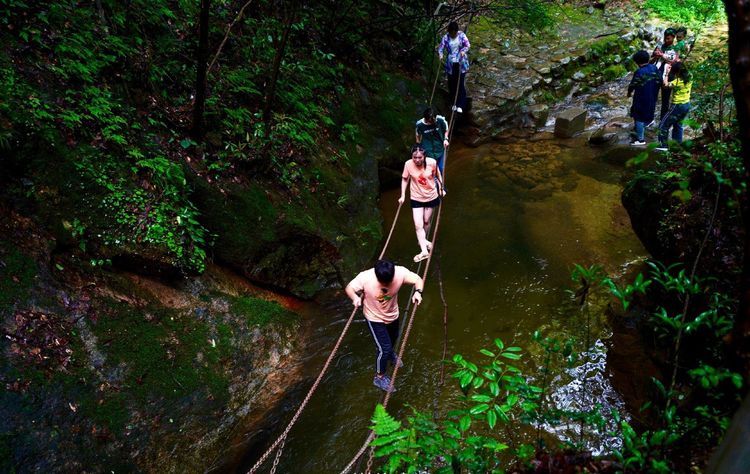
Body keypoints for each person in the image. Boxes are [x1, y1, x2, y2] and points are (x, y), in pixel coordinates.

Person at [345, 259, 424, 392]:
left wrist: (418, 292)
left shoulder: (400, 272)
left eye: (389, 281)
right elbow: (349, 288)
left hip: (393, 314)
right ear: (377, 275)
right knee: (384, 349)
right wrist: (355, 298)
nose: (387, 284)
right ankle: (379, 377)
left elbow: (417, 279)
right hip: (374, 318)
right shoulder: (365, 277)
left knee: (393, 339)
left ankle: (391, 354)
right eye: (384, 282)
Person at [399, 144, 445, 263]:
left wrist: (441, 188)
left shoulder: (432, 162)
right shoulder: (408, 164)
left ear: (424, 156)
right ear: (412, 156)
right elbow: (404, 179)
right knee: (418, 225)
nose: (417, 160)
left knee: (426, 221)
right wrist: (403, 195)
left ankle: (424, 239)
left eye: (420, 157)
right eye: (415, 157)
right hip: (416, 197)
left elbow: (438, 176)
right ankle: (424, 250)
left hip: (431, 196)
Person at [627, 50, 660, 146]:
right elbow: (660, 80)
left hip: (641, 98)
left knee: (638, 116)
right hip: (652, 95)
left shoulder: (639, 72)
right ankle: (648, 122)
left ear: (637, 62)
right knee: (650, 110)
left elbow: (633, 84)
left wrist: (629, 92)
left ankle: (640, 140)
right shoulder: (654, 68)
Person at [657, 62, 692, 151]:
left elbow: (665, 85)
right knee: (678, 125)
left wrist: (666, 73)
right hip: (687, 104)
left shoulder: (677, 81)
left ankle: (663, 145)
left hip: (677, 106)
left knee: (663, 125)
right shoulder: (690, 76)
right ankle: (677, 146)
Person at [438, 21, 470, 113]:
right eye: (451, 32)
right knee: (452, 84)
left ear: (457, 31)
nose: (453, 34)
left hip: (461, 62)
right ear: (449, 31)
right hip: (451, 64)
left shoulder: (461, 35)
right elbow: (440, 48)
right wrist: (440, 55)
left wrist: (463, 51)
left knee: (460, 84)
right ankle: (454, 104)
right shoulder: (446, 37)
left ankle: (461, 105)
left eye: (454, 32)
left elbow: (467, 45)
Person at [651, 28, 680, 119]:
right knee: (652, 96)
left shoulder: (676, 48)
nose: (666, 40)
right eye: (665, 38)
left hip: (668, 76)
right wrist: (655, 55)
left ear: (673, 38)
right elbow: (651, 59)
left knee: (665, 99)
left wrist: (662, 55)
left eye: (668, 38)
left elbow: (676, 61)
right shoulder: (660, 46)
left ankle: (663, 119)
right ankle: (649, 117)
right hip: (656, 74)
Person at [415, 107, 450, 173]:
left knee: (441, 169)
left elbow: (446, 129)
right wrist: (418, 148)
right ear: (426, 119)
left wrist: (445, 139)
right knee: (431, 170)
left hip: (440, 149)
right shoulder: (420, 125)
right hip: (428, 151)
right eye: (431, 121)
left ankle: (439, 182)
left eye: (434, 119)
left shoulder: (440, 119)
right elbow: (417, 135)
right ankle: (434, 182)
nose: (434, 122)